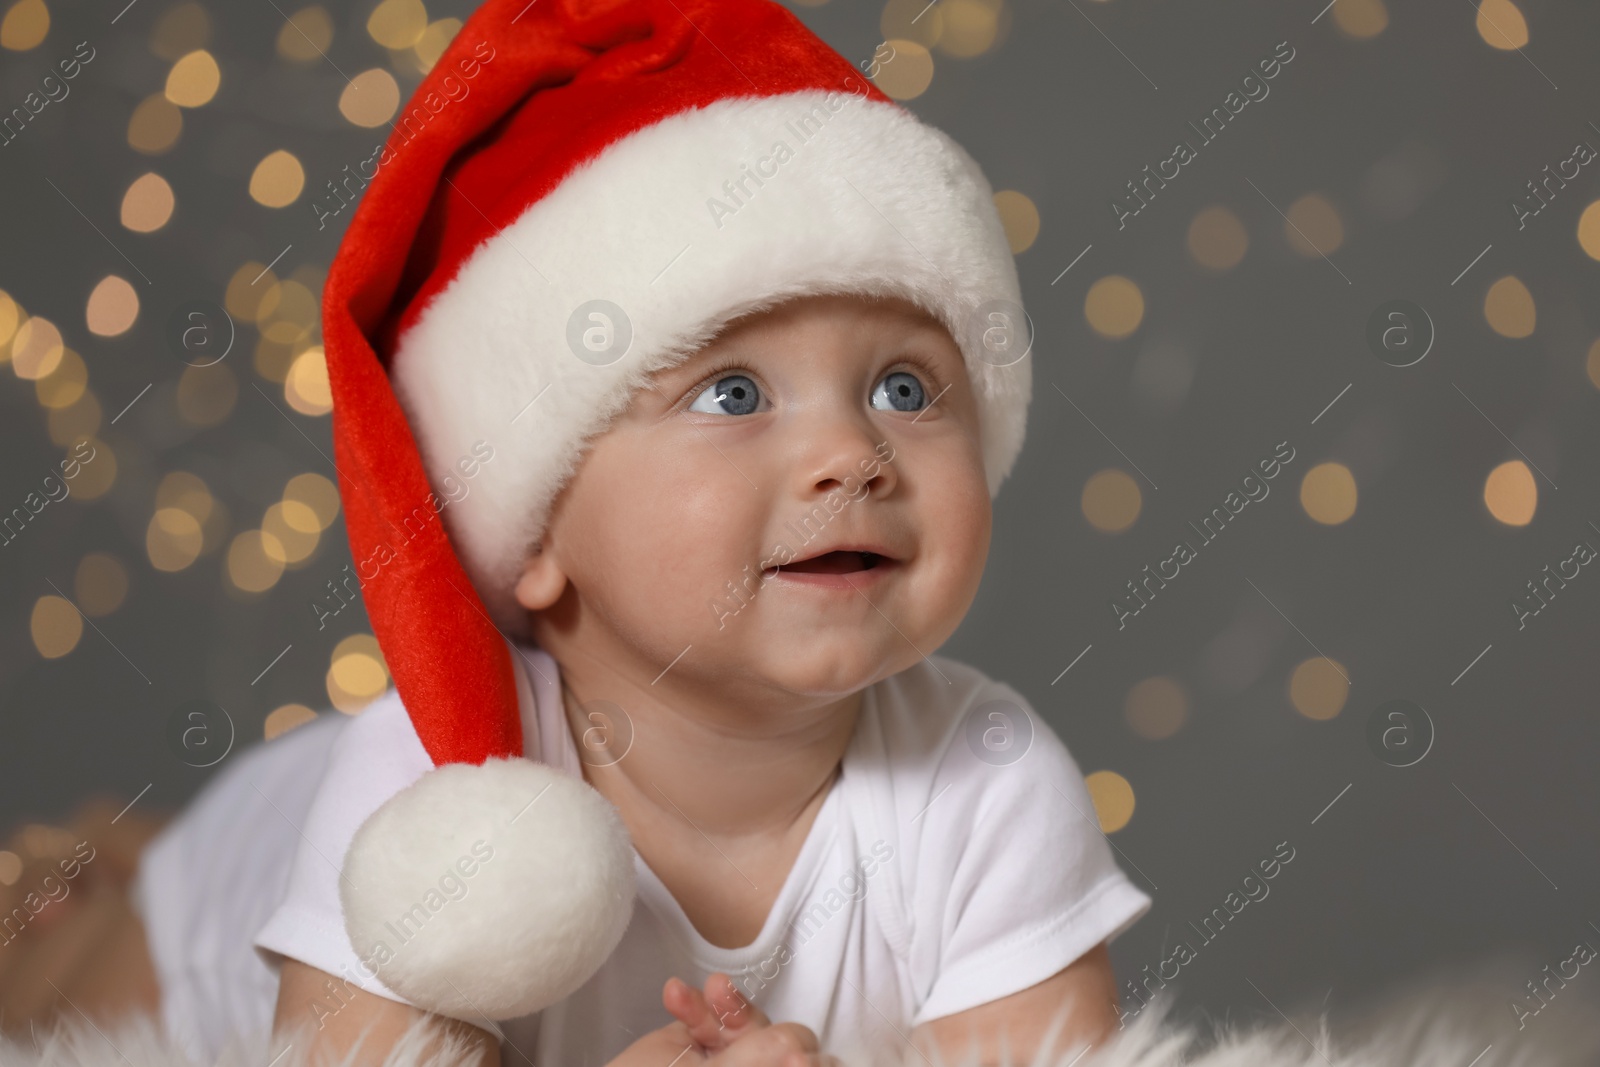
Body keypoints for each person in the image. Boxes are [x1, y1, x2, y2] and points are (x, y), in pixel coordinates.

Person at [21, 0, 1157, 1063]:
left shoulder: (987, 779)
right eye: (732, 394)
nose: (852, 455)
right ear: (534, 527)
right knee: (58, 980)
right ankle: (103, 873)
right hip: (227, 883)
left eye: (906, 389)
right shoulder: (428, 790)